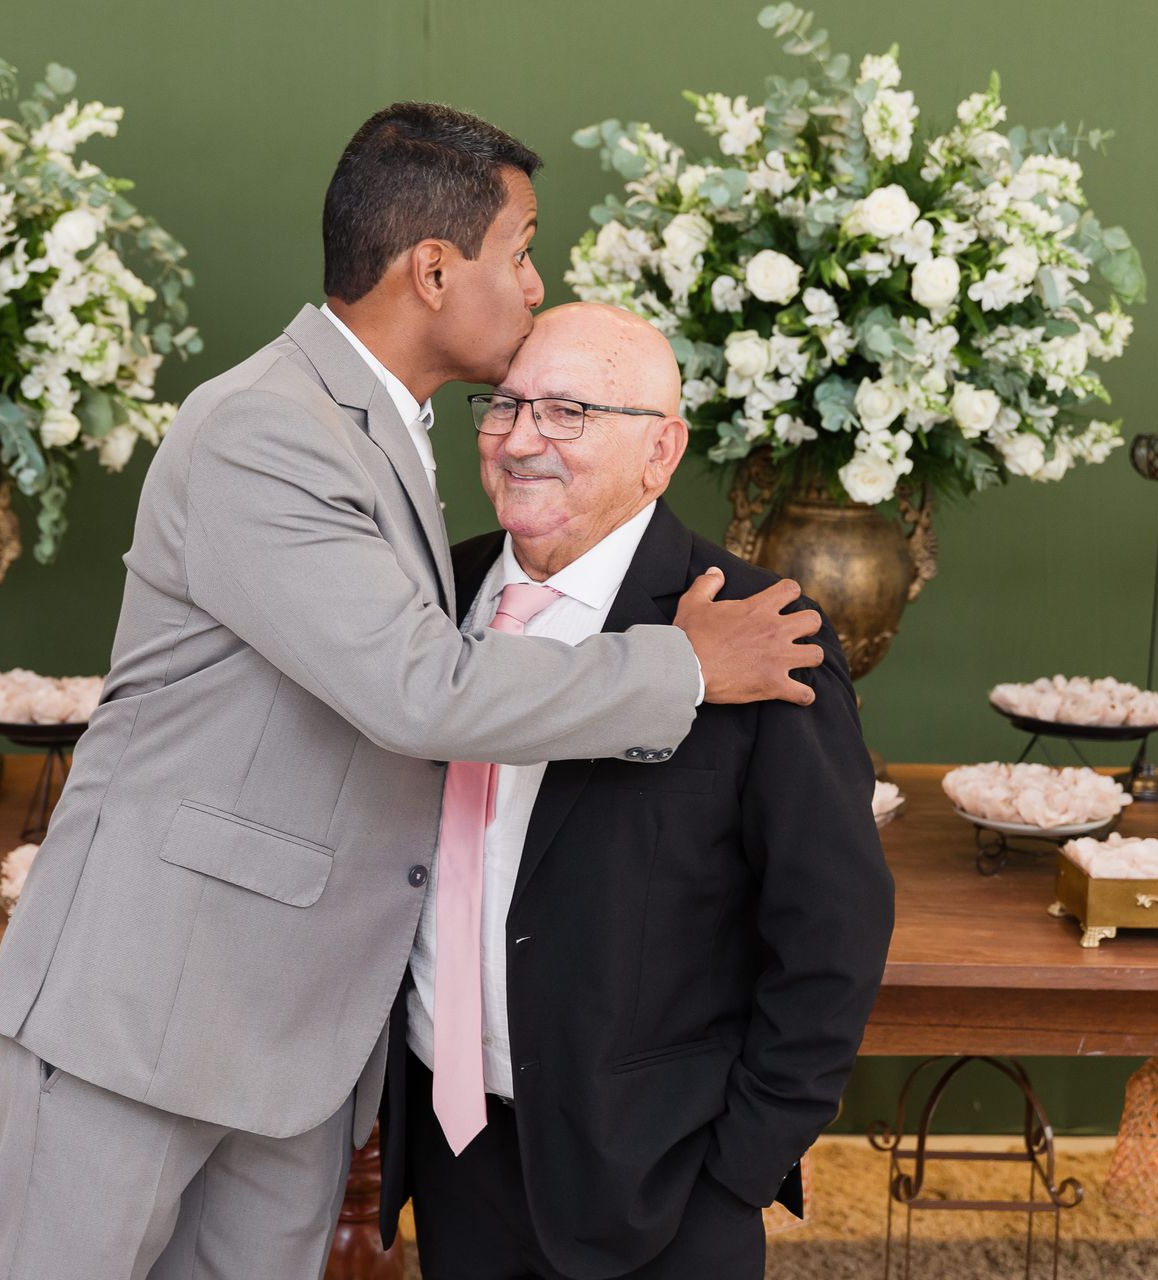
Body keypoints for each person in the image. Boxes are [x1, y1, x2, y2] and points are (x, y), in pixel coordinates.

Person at [0, 104, 827, 1280]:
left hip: (295, 1042)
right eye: (520, 251)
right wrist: (682, 665)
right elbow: (418, 689)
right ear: (433, 269)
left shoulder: (380, 431)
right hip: (151, 1006)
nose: (533, 284)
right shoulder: (264, 426)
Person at [379, 303, 895, 1279]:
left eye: (568, 411)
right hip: (450, 1150)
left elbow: (834, 928)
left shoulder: (759, 629)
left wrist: (738, 1165)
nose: (522, 438)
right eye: (504, 406)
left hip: (660, 1173)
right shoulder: (426, 601)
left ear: (660, 450)